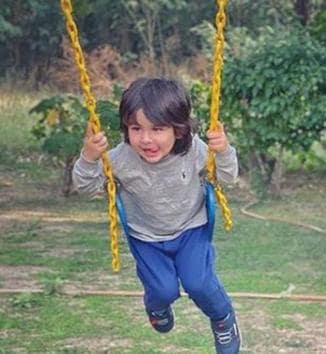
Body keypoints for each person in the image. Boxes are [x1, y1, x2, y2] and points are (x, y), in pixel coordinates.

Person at [73, 78, 241, 354]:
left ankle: (223, 320)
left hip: (191, 229)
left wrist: (222, 152)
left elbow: (227, 177)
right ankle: (157, 306)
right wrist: (90, 157)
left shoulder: (194, 150)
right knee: (163, 291)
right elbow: (86, 187)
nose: (146, 139)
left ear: (178, 129)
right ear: (126, 128)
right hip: (146, 237)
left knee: (199, 282)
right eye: (136, 128)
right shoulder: (120, 158)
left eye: (158, 129)